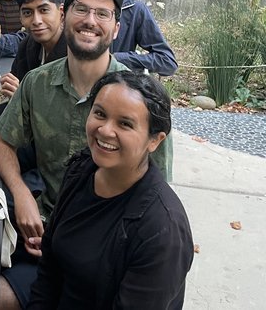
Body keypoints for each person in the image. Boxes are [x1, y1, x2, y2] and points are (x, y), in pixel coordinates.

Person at [0, 0, 172, 310]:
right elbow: (4, 142)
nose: (90, 21)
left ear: (116, 29)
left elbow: (156, 193)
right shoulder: (37, 83)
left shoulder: (137, 102)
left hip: (102, 253)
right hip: (42, 234)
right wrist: (22, 194)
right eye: (82, 10)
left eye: (103, 14)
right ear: (65, 16)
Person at [28, 71, 193, 309]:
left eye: (125, 124)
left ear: (155, 140)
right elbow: (49, 269)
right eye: (100, 114)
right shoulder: (81, 169)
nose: (105, 130)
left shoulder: (161, 232)